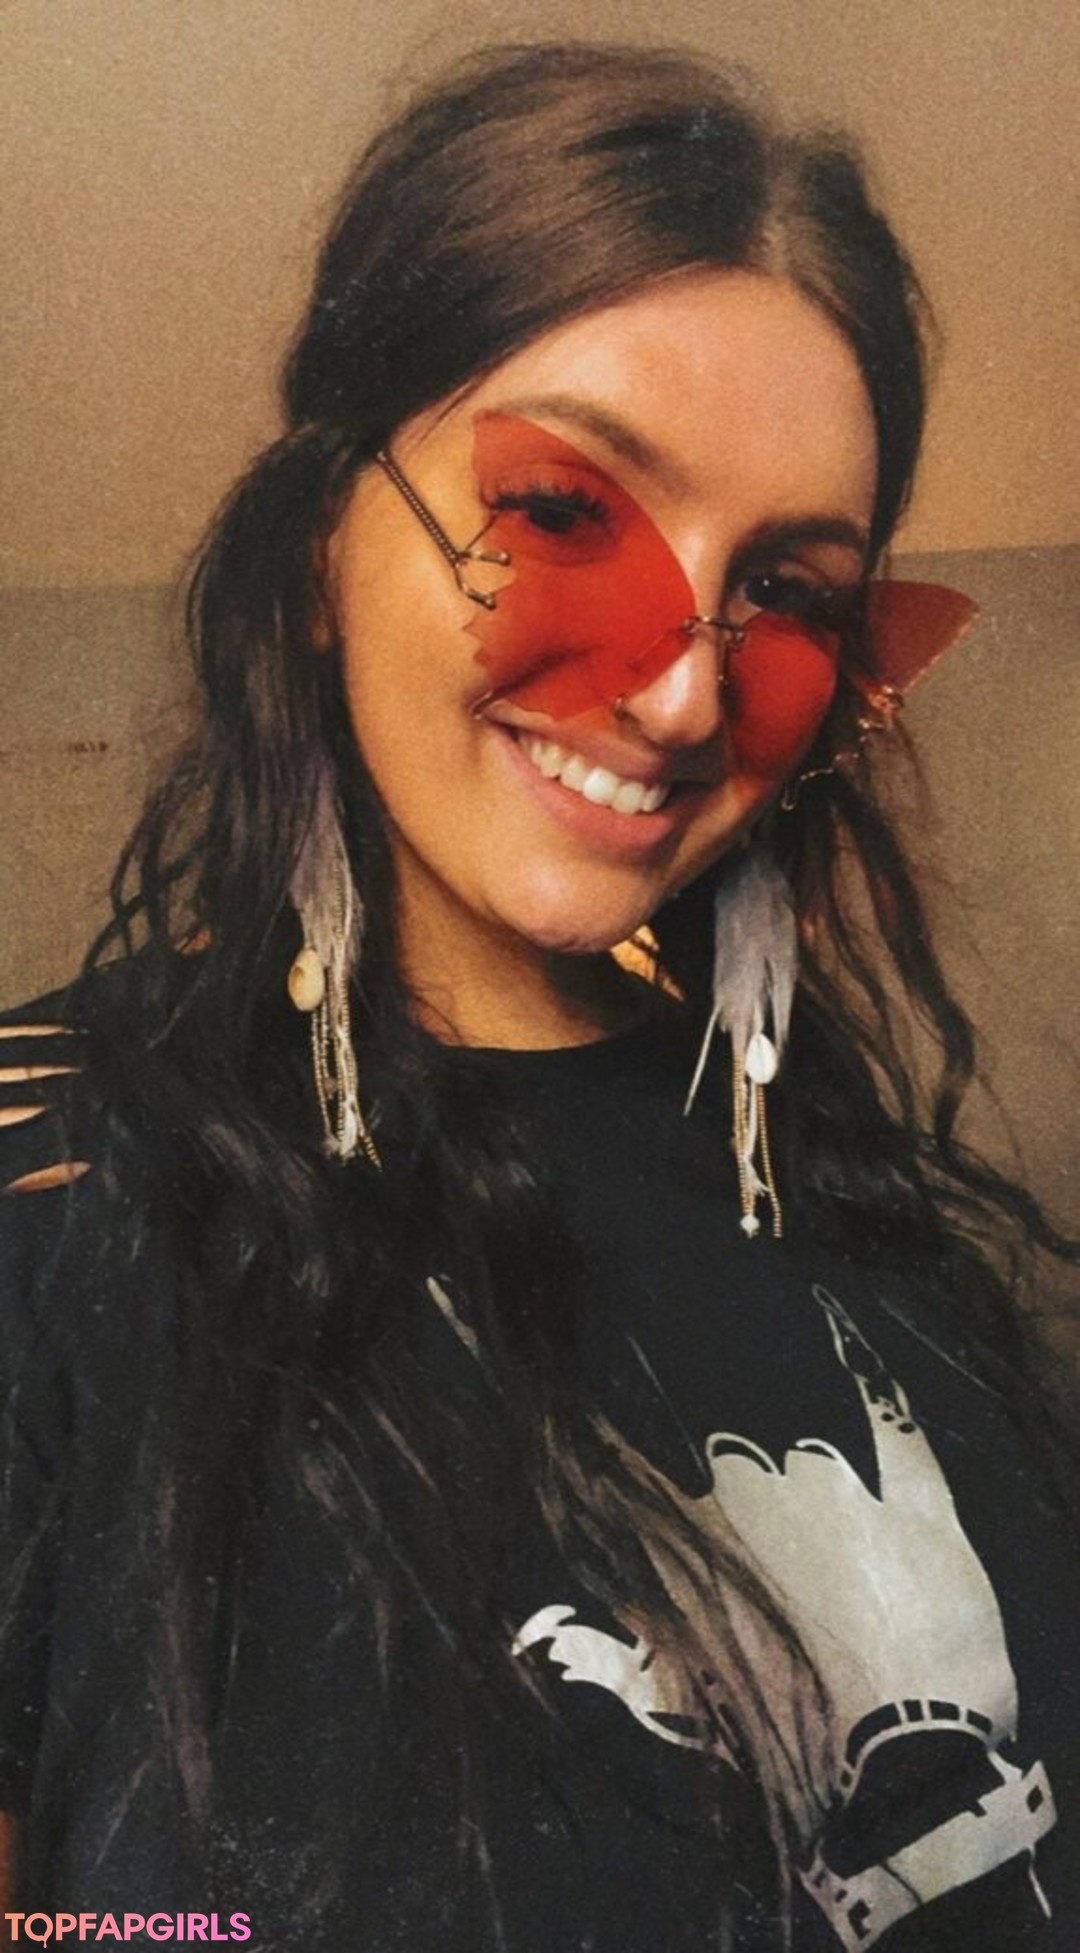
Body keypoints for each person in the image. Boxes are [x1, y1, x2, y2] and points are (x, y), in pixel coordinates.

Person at [1, 39, 1077, 1953]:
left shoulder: (856, 1202)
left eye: (787, 593)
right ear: (324, 545)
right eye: (568, 515)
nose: (681, 692)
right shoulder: (50, 1190)